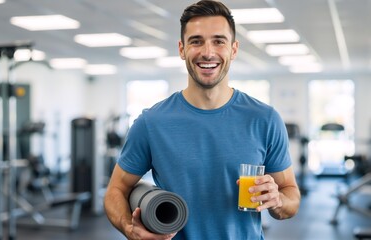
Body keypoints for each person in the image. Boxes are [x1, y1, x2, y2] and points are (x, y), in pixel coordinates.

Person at [104, 0, 301, 239]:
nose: (208, 52)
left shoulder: (265, 119)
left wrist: (278, 199)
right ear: (182, 49)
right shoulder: (151, 122)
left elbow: (291, 197)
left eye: (219, 41)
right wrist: (128, 227)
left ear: (234, 49)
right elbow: (116, 189)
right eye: (196, 41)